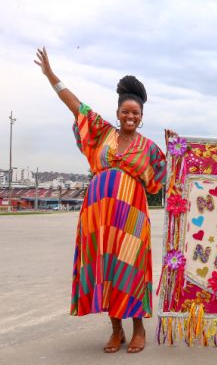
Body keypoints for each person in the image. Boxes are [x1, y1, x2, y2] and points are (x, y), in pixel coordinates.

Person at [35, 47, 167, 353]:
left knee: (131, 269)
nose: (131, 116)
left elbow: (169, 174)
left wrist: (177, 147)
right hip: (97, 215)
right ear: (118, 113)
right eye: (126, 112)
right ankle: (116, 329)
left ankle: (139, 329)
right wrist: (51, 76)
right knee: (105, 267)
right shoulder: (101, 132)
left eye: (136, 113)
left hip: (131, 215)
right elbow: (75, 106)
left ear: (142, 116)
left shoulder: (149, 148)